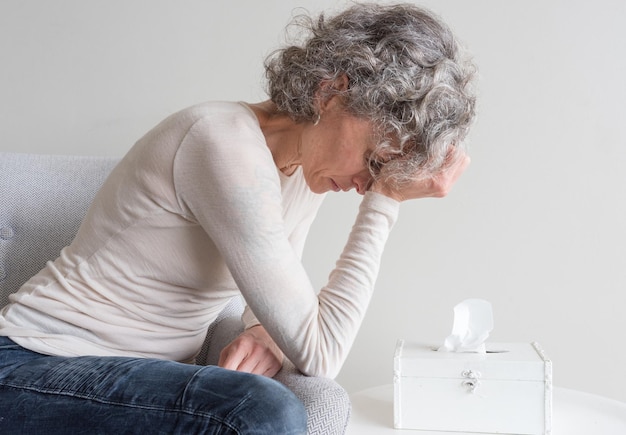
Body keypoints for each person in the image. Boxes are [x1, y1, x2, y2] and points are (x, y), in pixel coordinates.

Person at [0, 2, 476, 434]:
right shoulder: (223, 145)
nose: (365, 184)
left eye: (383, 174)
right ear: (332, 92)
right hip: (32, 367)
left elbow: (284, 314)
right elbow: (322, 349)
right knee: (263, 411)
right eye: (373, 160)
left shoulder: (301, 172)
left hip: (129, 379)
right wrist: (387, 201)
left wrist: (266, 329)